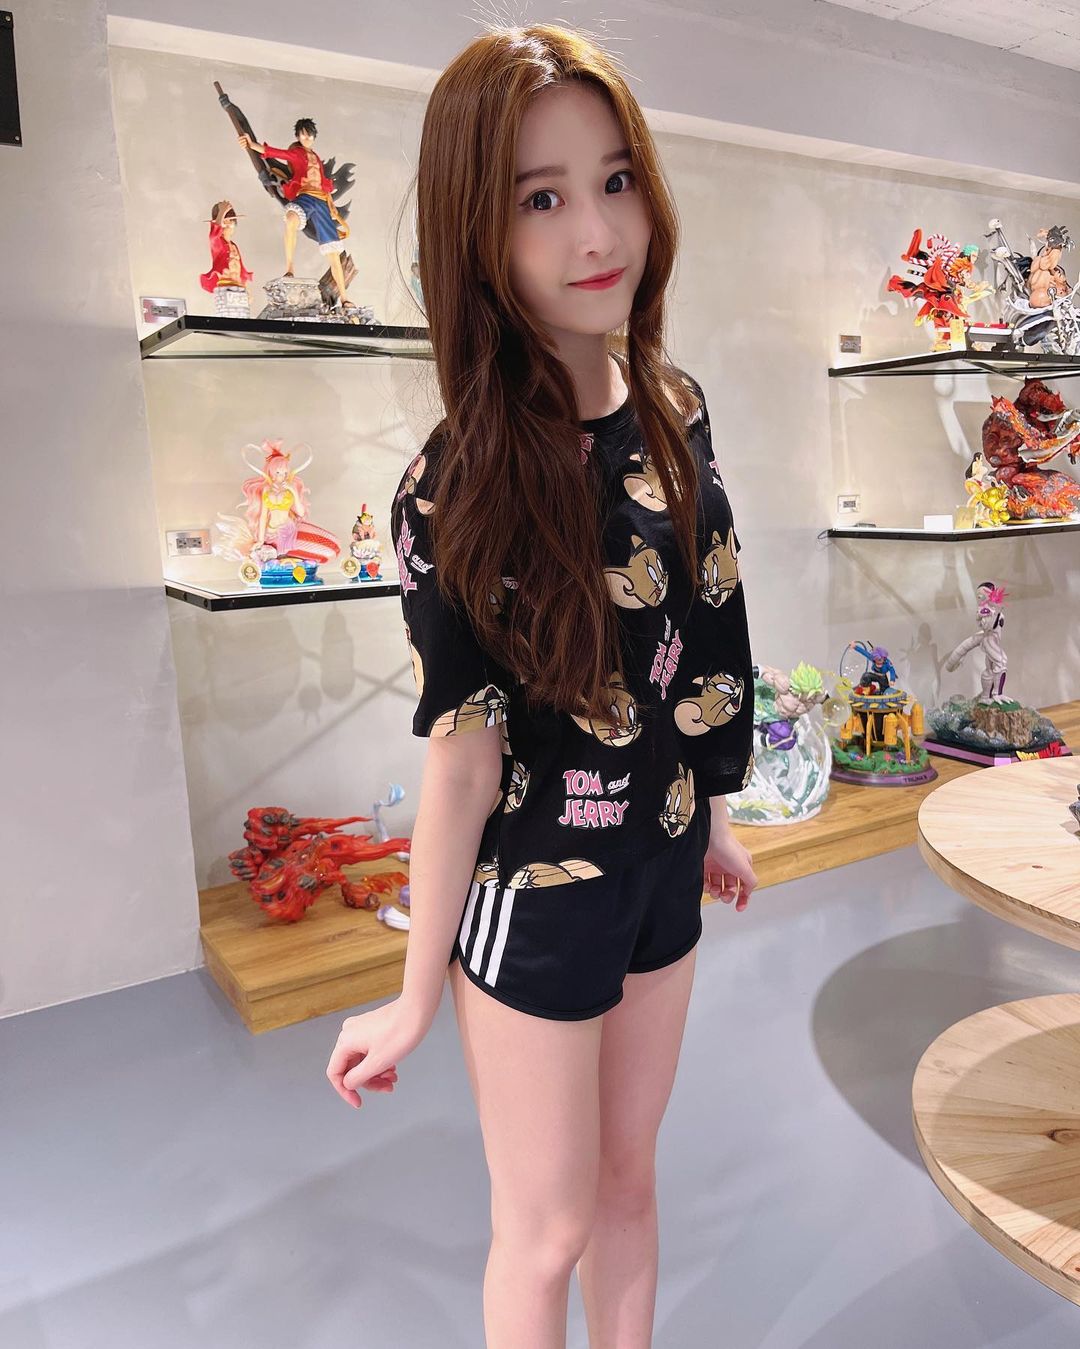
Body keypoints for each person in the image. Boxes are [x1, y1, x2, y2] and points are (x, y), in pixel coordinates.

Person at [326, 23, 756, 1348]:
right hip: (537, 889)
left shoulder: (676, 411)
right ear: (480, 232)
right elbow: (462, 756)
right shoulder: (452, 487)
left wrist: (715, 812)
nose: (597, 231)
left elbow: (706, 625)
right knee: (545, 1229)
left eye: (616, 180)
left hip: (662, 867)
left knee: (628, 1186)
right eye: (542, 198)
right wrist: (415, 991)